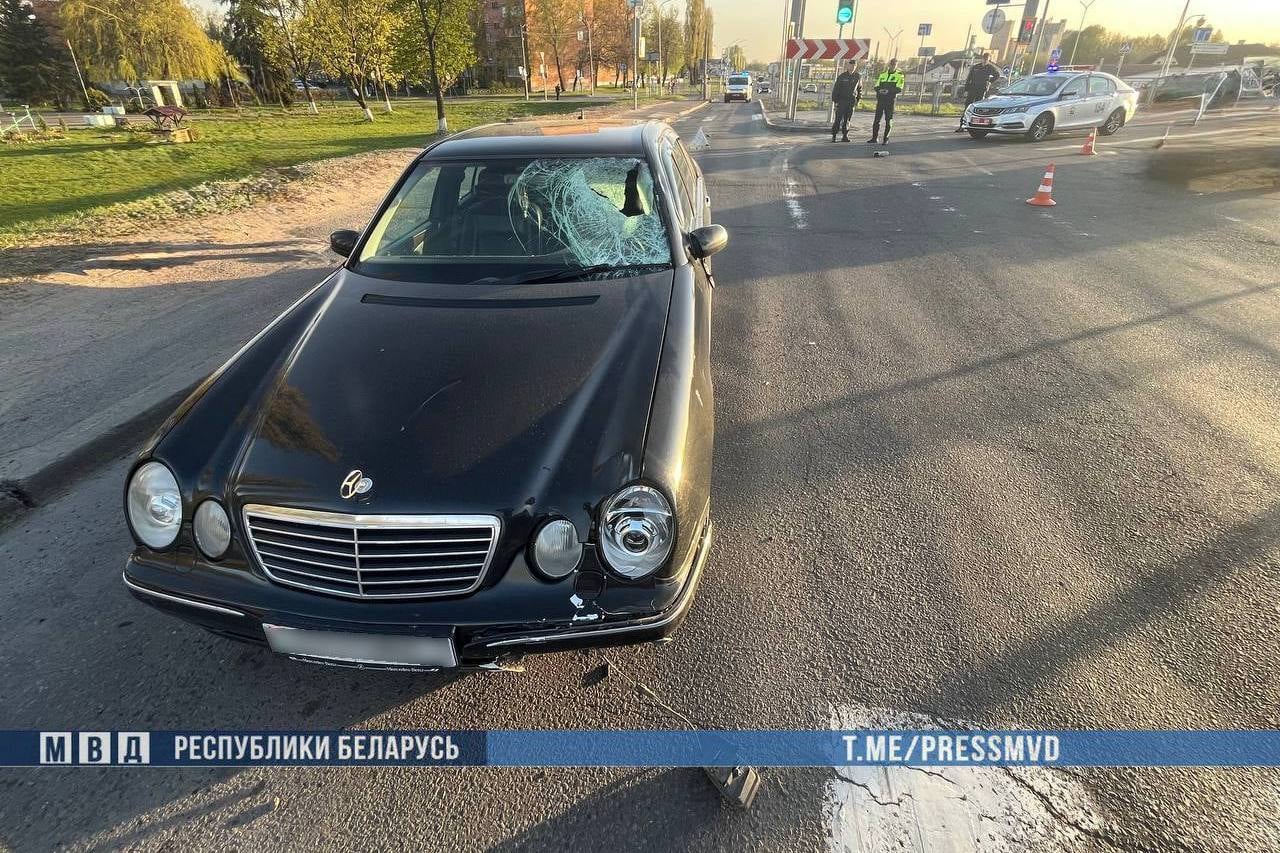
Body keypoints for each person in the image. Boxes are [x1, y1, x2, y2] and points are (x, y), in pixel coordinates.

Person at [957, 54, 1000, 132]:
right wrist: (966, 89)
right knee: (968, 107)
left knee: (978, 108)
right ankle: (962, 125)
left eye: (987, 59)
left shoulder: (990, 68)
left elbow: (997, 75)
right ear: (982, 59)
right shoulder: (976, 67)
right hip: (972, 89)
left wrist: (989, 82)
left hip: (981, 89)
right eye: (984, 59)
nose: (985, 60)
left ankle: (976, 126)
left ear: (989, 60)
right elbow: (969, 77)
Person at [867, 59, 905, 145]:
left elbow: (899, 88)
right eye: (891, 64)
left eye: (894, 64)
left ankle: (885, 138)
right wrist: (880, 90)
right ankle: (874, 138)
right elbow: (876, 86)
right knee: (877, 120)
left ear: (896, 65)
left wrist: (888, 91)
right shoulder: (883, 74)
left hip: (890, 101)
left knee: (888, 120)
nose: (892, 66)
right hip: (881, 100)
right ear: (889, 65)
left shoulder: (900, 75)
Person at [830, 61, 863, 142]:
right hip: (842, 101)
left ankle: (845, 136)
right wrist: (835, 100)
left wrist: (858, 100)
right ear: (848, 66)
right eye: (851, 65)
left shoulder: (858, 77)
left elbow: (859, 89)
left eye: (854, 66)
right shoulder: (842, 76)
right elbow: (836, 89)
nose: (852, 67)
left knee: (847, 120)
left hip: (851, 101)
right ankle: (834, 135)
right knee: (838, 119)